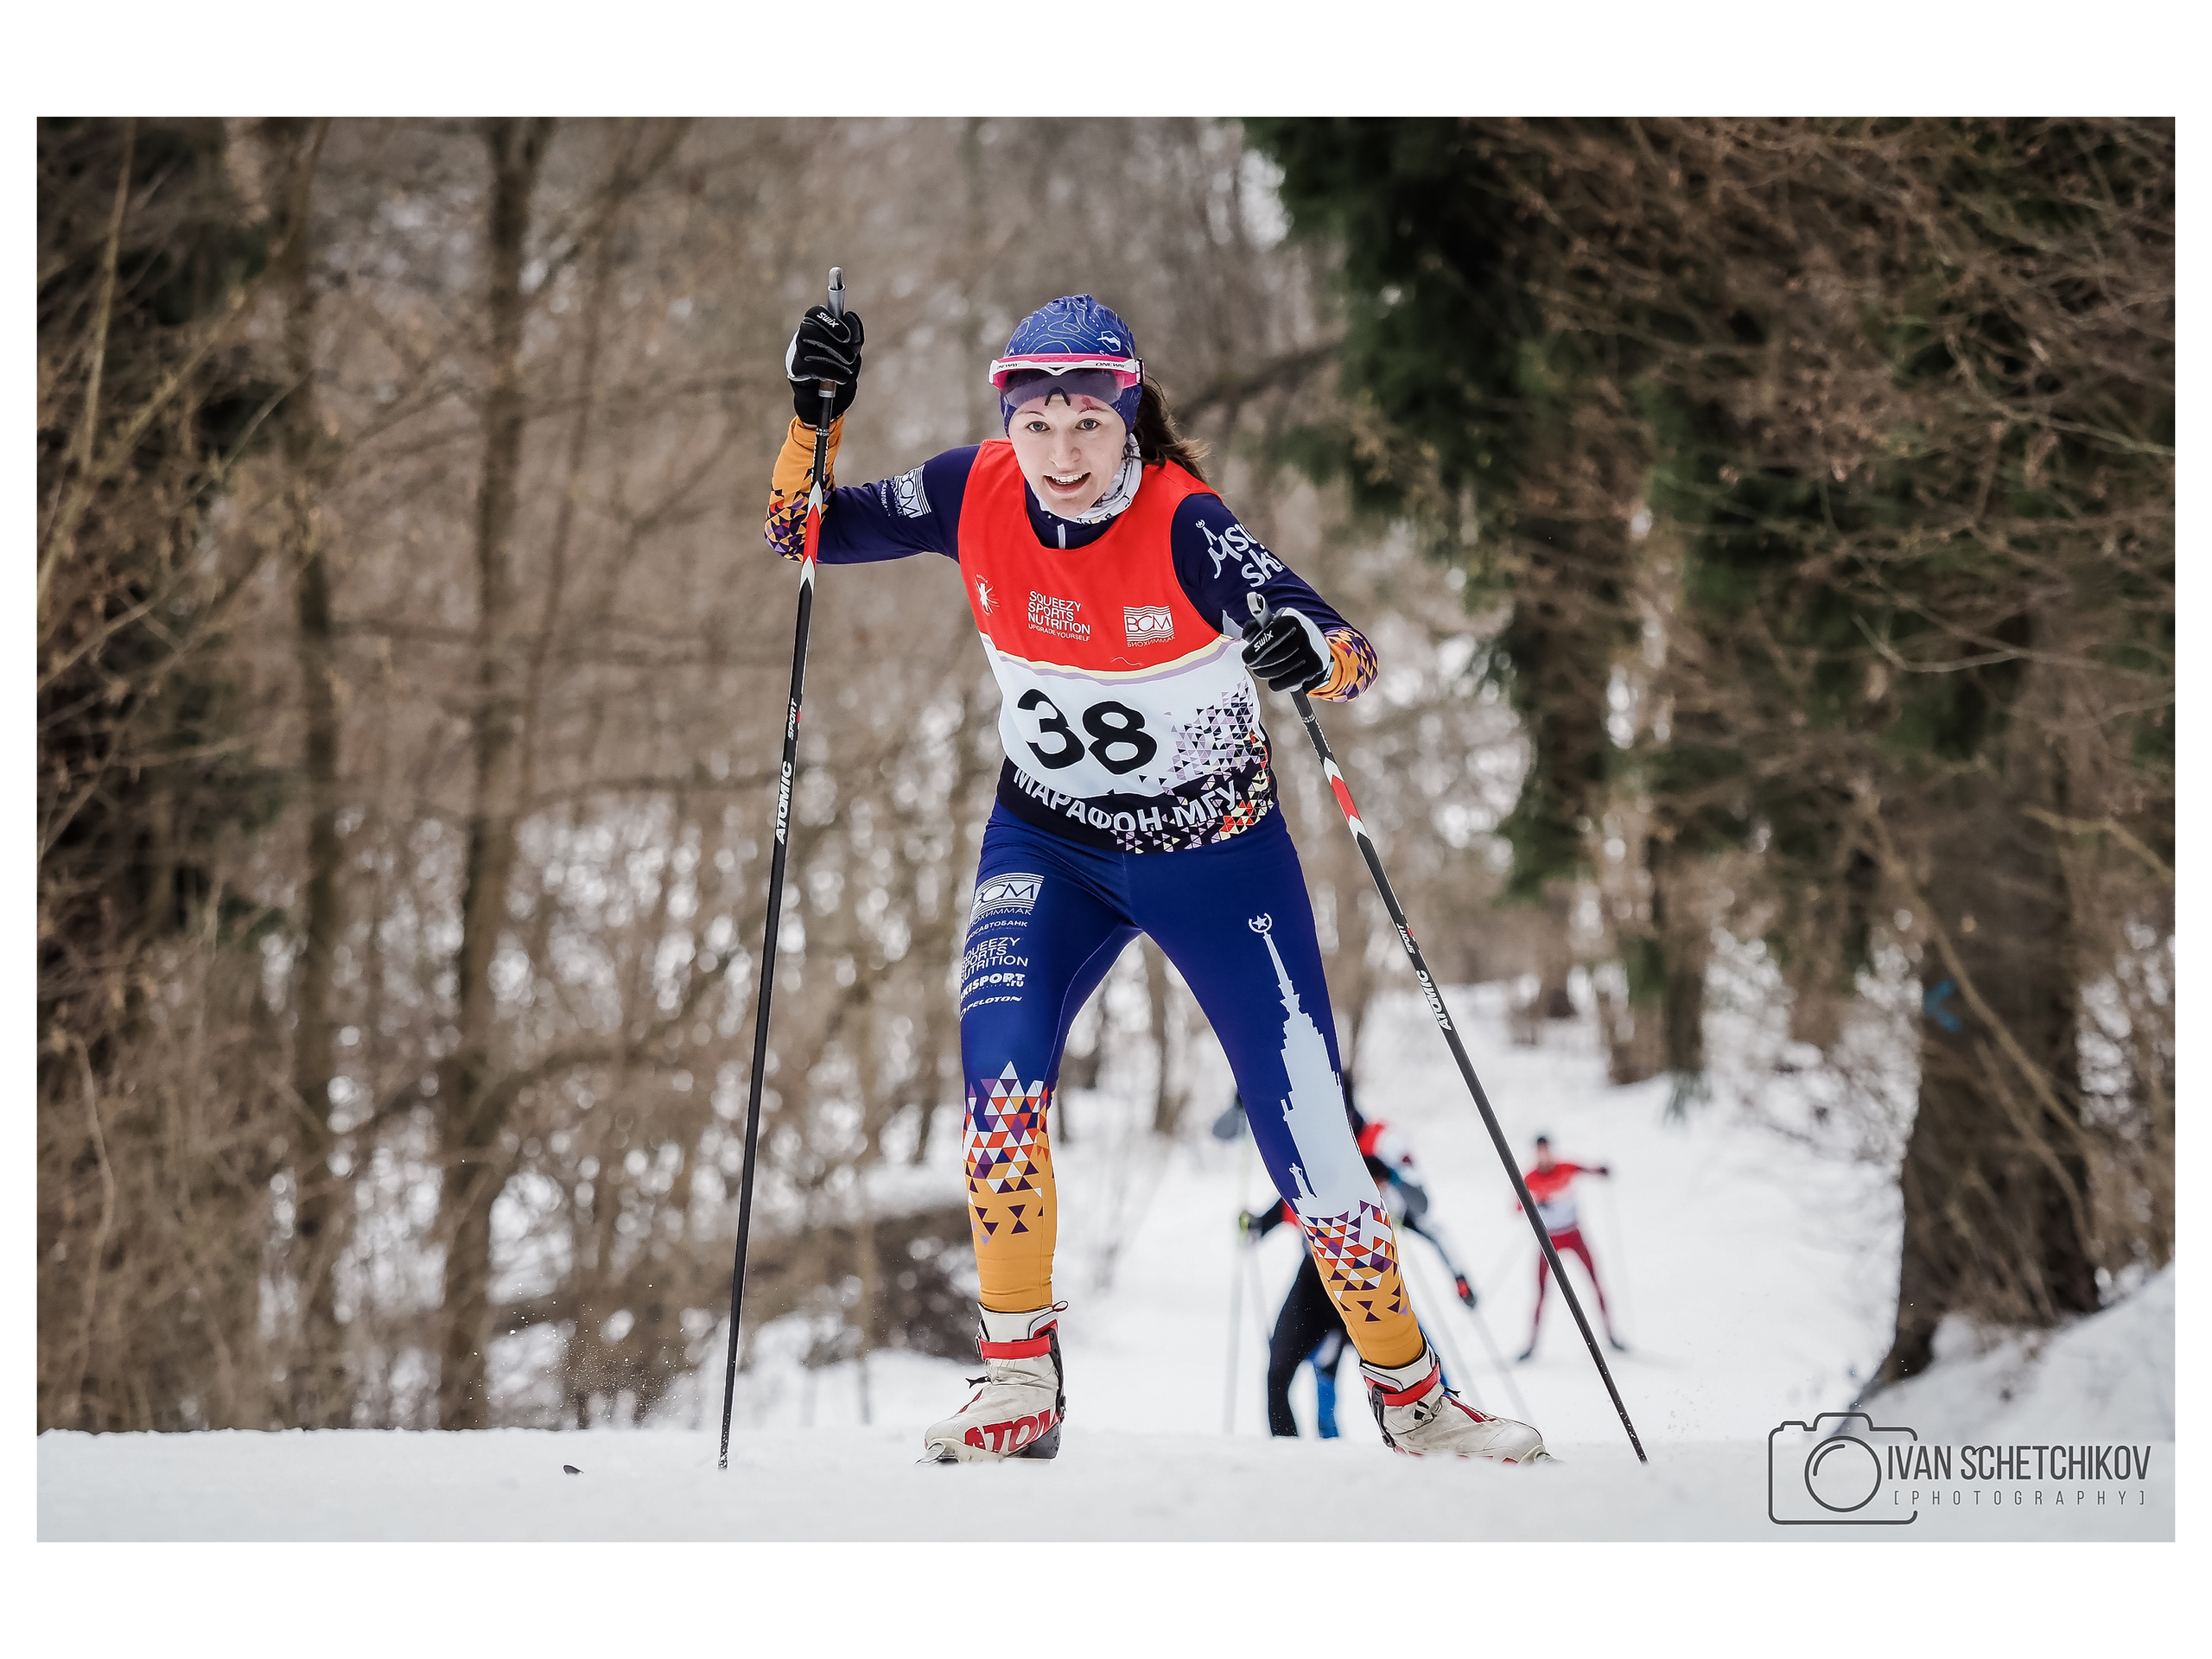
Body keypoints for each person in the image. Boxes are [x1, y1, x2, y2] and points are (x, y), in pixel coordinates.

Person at [765, 293, 1547, 1464]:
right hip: (1050, 848)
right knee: (999, 1094)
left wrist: (1306, 650)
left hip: (1215, 861)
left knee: (1314, 1144)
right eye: (1039, 424)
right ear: (1008, 424)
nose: (1062, 454)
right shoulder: (972, 491)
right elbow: (801, 530)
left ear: (1129, 418)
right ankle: (1018, 1379)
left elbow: (1350, 655)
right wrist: (813, 418)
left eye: (1088, 424)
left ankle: (1416, 1400)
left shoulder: (1186, 524)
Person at [1241, 1093, 1479, 1439]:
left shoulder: (1379, 1159)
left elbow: (1426, 1217)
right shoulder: (1311, 1167)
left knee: (1424, 1371)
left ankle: (1455, 1435)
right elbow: (1265, 1223)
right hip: (1315, 1285)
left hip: (1370, 1281)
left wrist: (1460, 1277)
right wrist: (1249, 1225)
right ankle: (1293, 1456)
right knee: (1282, 1374)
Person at [1516, 1134, 1625, 1360]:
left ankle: (1611, 1335)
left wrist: (1602, 1171)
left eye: (1547, 1150)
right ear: (1536, 1153)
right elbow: (1517, 1208)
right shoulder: (1530, 1178)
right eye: (1540, 1151)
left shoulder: (1566, 1166)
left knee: (1595, 1282)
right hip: (1549, 1241)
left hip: (1574, 1235)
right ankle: (1532, 1344)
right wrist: (1536, 1201)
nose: (1544, 1155)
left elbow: (1588, 1170)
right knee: (1541, 1292)